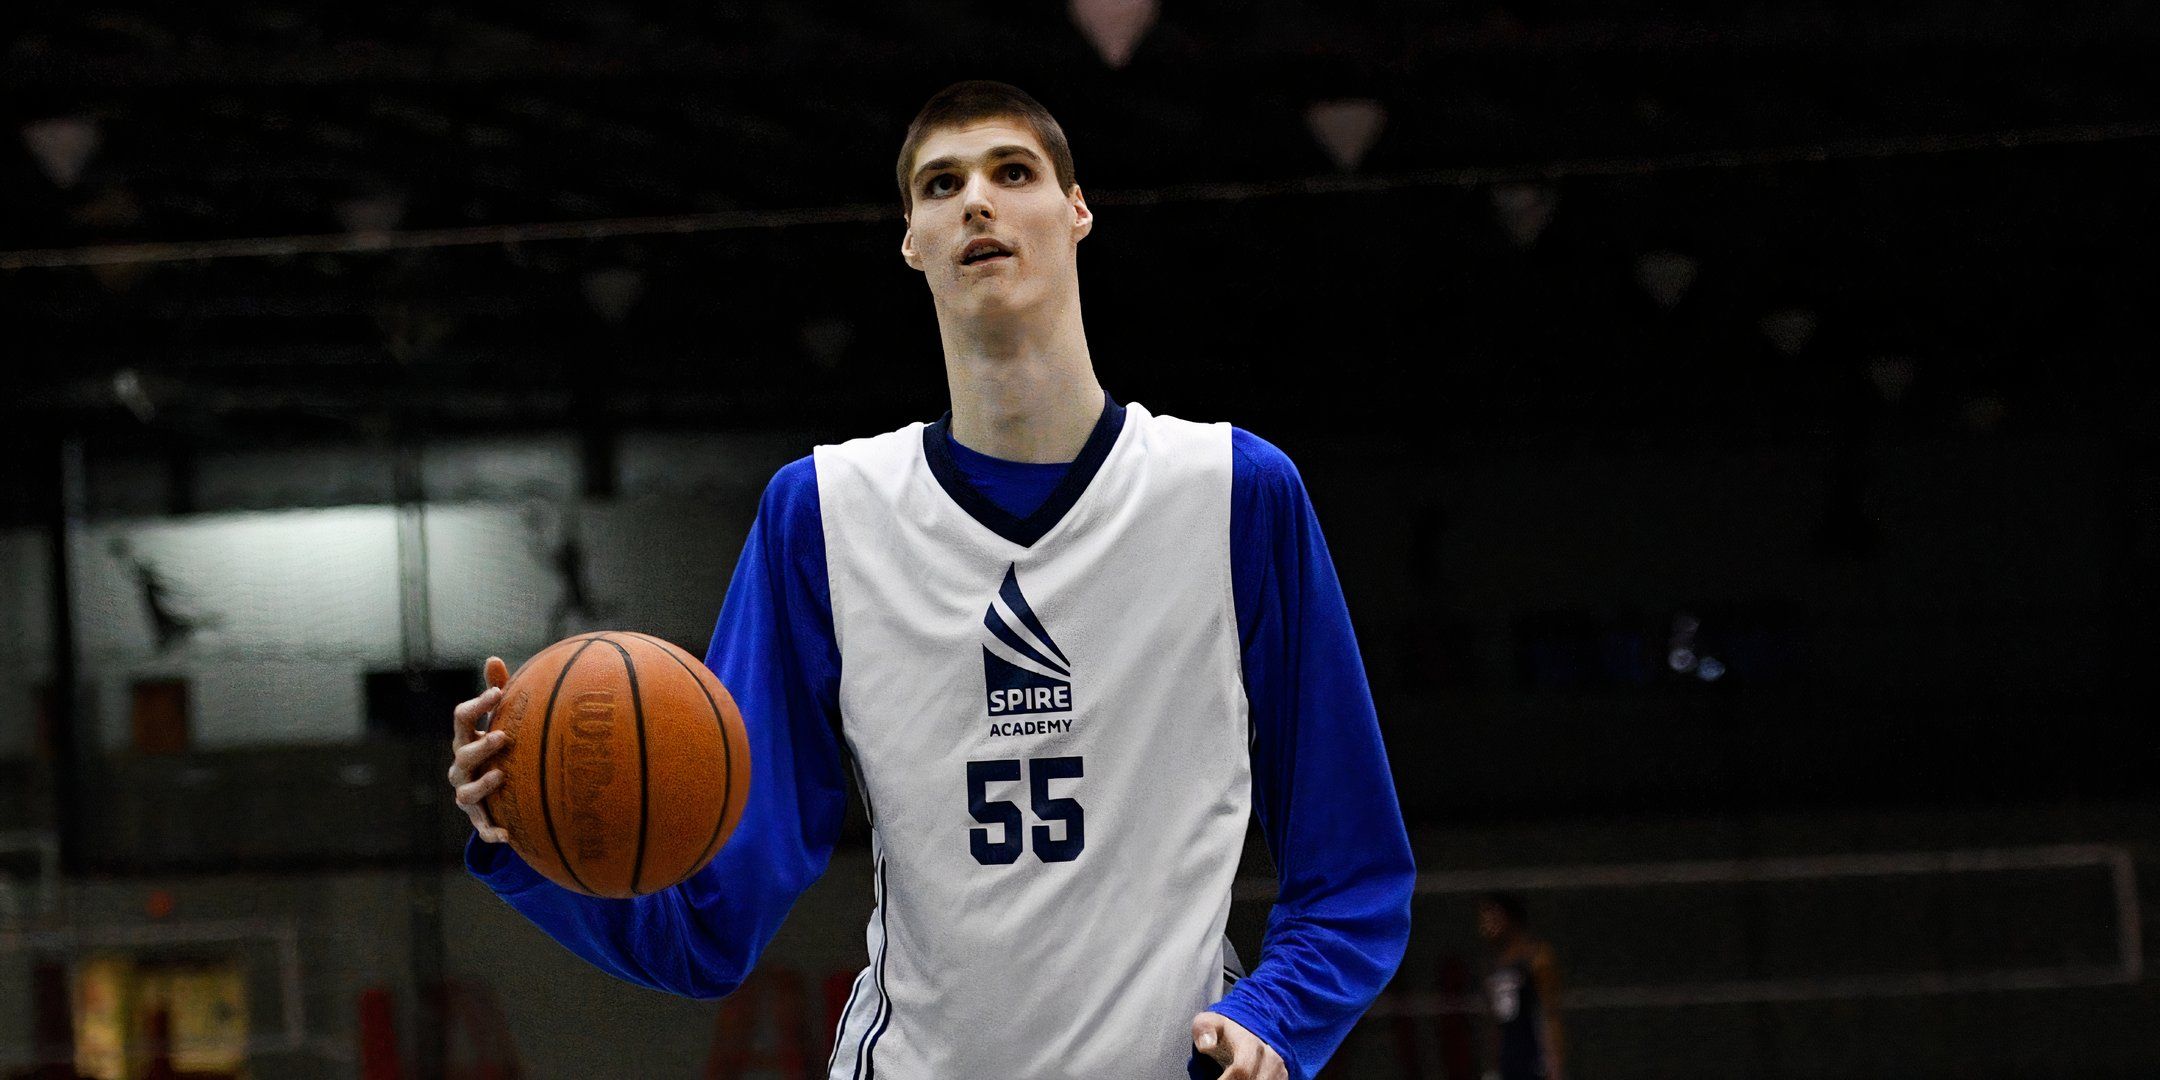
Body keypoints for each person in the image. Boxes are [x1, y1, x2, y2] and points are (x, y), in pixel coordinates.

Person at [445, 80, 1415, 1080]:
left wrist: (1277, 1018)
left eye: (1014, 171)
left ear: (1077, 210)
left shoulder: (1234, 493)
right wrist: (526, 833)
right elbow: (707, 927)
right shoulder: (823, 514)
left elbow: (1355, 879)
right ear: (911, 238)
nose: (977, 202)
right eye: (941, 184)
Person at [1477, 893, 1566, 1080]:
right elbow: (1495, 1022)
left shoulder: (1537, 959)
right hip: (1507, 1059)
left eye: (1492, 917)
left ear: (1509, 917)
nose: (1485, 926)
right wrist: (1492, 1068)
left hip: (1534, 1058)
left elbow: (1550, 1014)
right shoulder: (1493, 966)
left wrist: (1555, 1066)